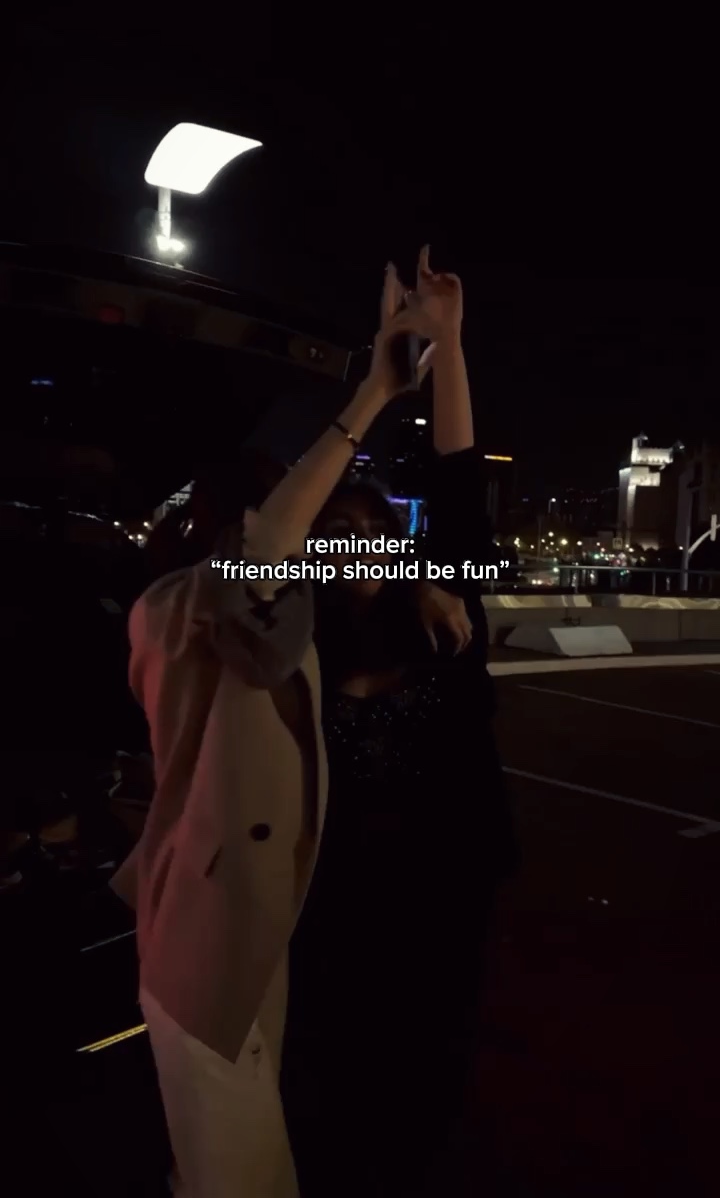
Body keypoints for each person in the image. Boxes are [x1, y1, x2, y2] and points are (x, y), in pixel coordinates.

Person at [109, 304, 439, 1198]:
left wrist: (418, 582)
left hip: (246, 923)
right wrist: (372, 396)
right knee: (239, 1170)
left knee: (230, 1159)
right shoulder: (186, 606)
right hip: (209, 932)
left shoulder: (257, 619)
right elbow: (264, 560)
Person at [281, 250, 518, 1197]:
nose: (354, 547)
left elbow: (457, 484)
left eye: (370, 533)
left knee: (427, 1089)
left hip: (444, 894)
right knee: (328, 1091)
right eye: (331, 535)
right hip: (331, 907)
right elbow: (257, 553)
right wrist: (373, 392)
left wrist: (448, 346)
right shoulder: (292, 652)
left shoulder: (445, 622)